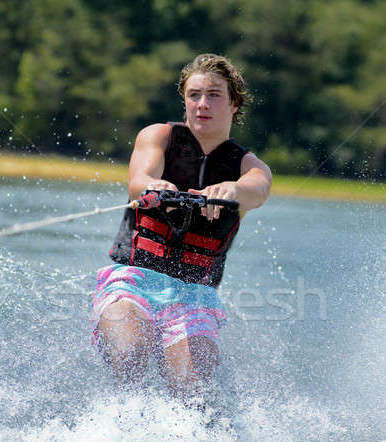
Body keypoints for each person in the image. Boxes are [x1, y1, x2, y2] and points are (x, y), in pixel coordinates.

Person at [91, 53, 272, 399]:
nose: (202, 104)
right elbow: (138, 180)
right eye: (194, 95)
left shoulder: (249, 166)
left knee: (193, 390)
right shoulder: (159, 136)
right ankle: (123, 435)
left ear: (235, 104)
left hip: (195, 297)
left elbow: (258, 190)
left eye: (214, 95)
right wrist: (151, 186)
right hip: (134, 281)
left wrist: (233, 190)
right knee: (131, 355)